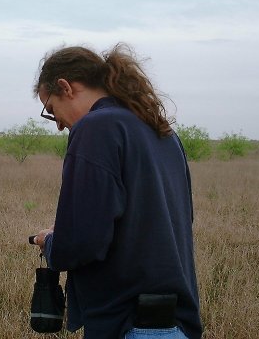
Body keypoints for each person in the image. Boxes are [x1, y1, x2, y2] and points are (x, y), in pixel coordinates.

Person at [31, 43, 202, 339]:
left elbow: (83, 242)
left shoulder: (95, 128)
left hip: (127, 325)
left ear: (65, 87)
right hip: (176, 325)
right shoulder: (161, 130)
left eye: (51, 110)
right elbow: (174, 222)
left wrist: (51, 242)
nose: (58, 125)